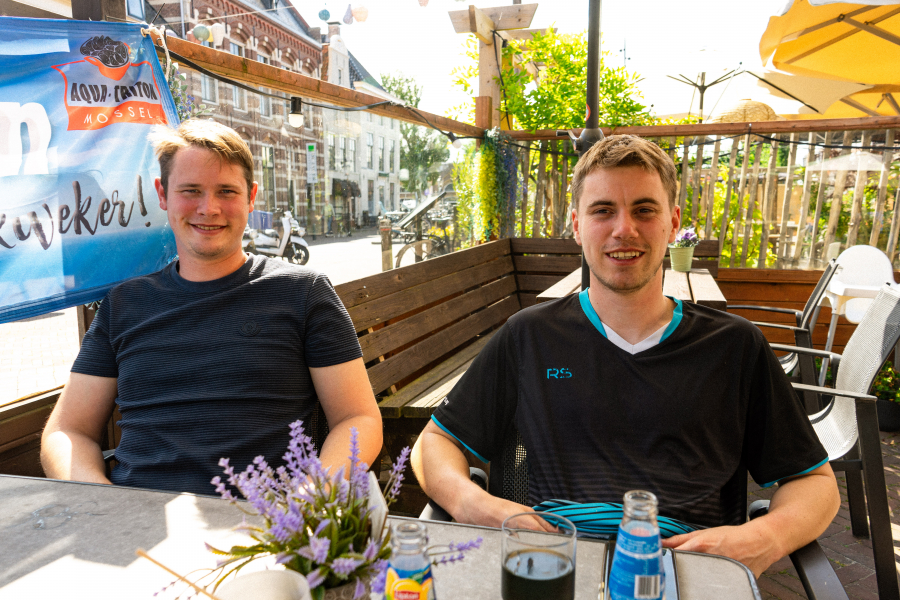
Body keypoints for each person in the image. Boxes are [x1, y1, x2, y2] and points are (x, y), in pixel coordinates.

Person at [410, 135, 840, 577]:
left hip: (683, 569)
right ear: (577, 226)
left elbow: (815, 482)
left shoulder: (734, 346)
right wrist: (473, 503)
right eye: (603, 211)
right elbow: (435, 442)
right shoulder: (529, 336)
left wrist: (765, 538)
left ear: (672, 224)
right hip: (553, 563)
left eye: (644, 210)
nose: (624, 229)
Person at [41, 120, 382, 495]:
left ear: (251, 197)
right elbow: (67, 431)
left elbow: (358, 418)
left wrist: (307, 501)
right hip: (136, 516)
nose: (209, 208)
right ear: (163, 194)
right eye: (191, 191)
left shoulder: (302, 292)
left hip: (266, 519)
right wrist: (101, 500)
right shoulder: (123, 304)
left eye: (226, 191)